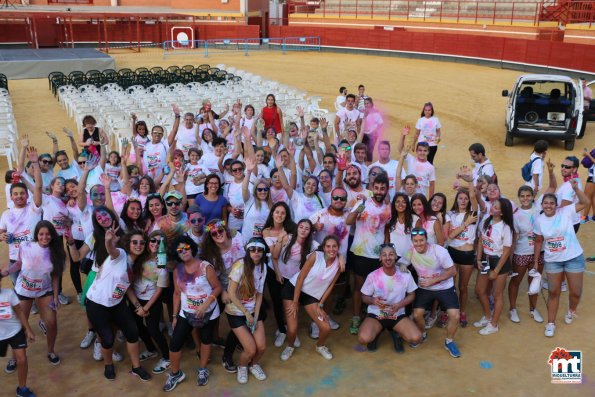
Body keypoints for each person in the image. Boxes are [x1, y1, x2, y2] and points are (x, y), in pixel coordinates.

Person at [82, 227, 152, 381]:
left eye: (141, 242)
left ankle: (136, 367)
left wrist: (138, 306)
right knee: (107, 339)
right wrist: (108, 241)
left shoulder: (135, 264)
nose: (138, 245)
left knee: (133, 333)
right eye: (135, 242)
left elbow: (126, 288)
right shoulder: (121, 254)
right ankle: (108, 365)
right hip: (97, 303)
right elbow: (111, 250)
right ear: (129, 243)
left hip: (117, 303)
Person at [162, 236, 222, 391]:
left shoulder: (205, 267)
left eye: (186, 247)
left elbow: (217, 287)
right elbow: (176, 294)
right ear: (177, 254)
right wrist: (174, 316)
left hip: (208, 312)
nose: (184, 251)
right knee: (175, 343)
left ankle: (203, 369)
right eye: (180, 250)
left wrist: (205, 305)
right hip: (186, 312)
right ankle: (175, 374)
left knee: (206, 340)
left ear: (192, 247)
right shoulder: (177, 270)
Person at [533, 181, 589, 337]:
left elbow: (586, 202)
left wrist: (576, 188)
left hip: (573, 257)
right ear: (542, 205)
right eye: (545, 203)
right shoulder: (539, 220)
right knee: (553, 292)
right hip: (553, 260)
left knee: (576, 292)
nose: (548, 206)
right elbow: (538, 241)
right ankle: (550, 323)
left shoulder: (566, 212)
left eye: (551, 203)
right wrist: (536, 261)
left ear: (556, 205)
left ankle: (571, 311)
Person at [397, 228, 461, 358]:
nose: (419, 243)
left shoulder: (439, 251)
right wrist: (402, 265)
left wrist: (434, 280)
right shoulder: (411, 251)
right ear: (412, 241)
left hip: (445, 287)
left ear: (427, 240)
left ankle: (449, 341)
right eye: (416, 241)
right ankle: (423, 334)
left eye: (421, 240)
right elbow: (401, 262)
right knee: (417, 314)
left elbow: (453, 271)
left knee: (455, 315)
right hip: (425, 289)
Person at [280, 235, 342, 361]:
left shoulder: (339, 265)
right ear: (323, 248)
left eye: (334, 246)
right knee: (292, 329)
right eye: (328, 246)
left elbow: (330, 286)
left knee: (326, 328)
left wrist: (320, 304)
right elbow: (300, 278)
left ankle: (320, 346)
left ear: (338, 248)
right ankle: (290, 346)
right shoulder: (315, 256)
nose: (331, 249)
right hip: (293, 290)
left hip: (311, 296)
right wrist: (295, 302)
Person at [11, 221, 64, 365]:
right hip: (23, 291)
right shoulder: (26, 246)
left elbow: (55, 276)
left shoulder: (56, 252)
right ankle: (14, 357)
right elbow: (18, 263)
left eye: (48, 234)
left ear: (52, 235)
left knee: (52, 323)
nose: (45, 237)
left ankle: (51, 351)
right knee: (19, 325)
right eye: (41, 234)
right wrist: (5, 272)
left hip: (44, 292)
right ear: (37, 234)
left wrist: (55, 296)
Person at [346, 174, 391, 335]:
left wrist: (386, 250)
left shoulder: (387, 207)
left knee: (378, 288)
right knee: (359, 287)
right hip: (360, 252)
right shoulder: (363, 202)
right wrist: (359, 208)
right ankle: (357, 316)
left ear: (386, 190)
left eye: (382, 188)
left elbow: (386, 229)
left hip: (378, 256)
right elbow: (349, 221)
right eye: (376, 188)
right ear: (372, 188)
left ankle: (375, 316)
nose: (379, 191)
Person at [357, 244, 422, 353]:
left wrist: (400, 305)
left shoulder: (405, 274)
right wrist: (373, 301)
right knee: (363, 339)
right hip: (377, 314)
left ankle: (396, 332)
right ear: (380, 258)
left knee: (416, 338)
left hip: (397, 314)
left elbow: (412, 295)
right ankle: (376, 333)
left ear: (396, 256)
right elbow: (364, 297)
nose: (388, 257)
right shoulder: (373, 276)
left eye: (391, 254)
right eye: (384, 255)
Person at [225, 238, 268, 384]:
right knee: (250, 349)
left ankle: (253, 364)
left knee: (261, 347)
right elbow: (231, 293)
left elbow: (260, 294)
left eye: (260, 250)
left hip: (252, 310)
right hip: (236, 311)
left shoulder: (263, 267)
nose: (256, 252)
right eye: (253, 249)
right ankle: (242, 366)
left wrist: (256, 316)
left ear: (263, 251)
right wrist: (247, 313)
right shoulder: (240, 266)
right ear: (248, 250)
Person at [270, 219, 318, 347]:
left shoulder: (312, 245)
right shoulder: (288, 238)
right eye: (301, 227)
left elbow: (328, 249)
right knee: (278, 304)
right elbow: (274, 256)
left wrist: (341, 257)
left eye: (307, 228)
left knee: (291, 307)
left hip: (295, 281)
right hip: (280, 276)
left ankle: (292, 333)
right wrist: (277, 273)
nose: (303, 230)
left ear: (310, 231)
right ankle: (282, 329)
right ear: (297, 228)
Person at [130, 230, 170, 375]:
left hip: (151, 302)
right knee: (139, 327)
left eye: (160, 242)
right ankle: (151, 350)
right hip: (136, 299)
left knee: (153, 329)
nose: (156, 244)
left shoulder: (161, 265)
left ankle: (167, 357)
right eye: (153, 240)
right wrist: (138, 306)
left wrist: (145, 308)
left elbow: (159, 291)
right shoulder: (139, 257)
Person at [474, 198, 514, 335]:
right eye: (493, 205)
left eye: (496, 207)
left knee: (497, 295)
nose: (492, 208)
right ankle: (487, 316)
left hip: (499, 262)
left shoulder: (506, 227)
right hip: (486, 259)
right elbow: (481, 241)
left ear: (502, 213)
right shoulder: (487, 220)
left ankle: (494, 324)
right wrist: (478, 258)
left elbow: (507, 250)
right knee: (480, 290)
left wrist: (496, 270)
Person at [445, 185, 478, 328]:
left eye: (465, 199)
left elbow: (473, 196)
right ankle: (448, 312)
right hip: (451, 252)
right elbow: (450, 236)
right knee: (449, 286)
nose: (463, 201)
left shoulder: (473, 214)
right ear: (456, 200)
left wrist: (469, 182)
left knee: (463, 287)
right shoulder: (450, 214)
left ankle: (462, 311)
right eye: (460, 198)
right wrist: (466, 224)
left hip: (466, 254)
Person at [0, 270, 36, 397]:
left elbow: (20, 312)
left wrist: (28, 330)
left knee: (22, 360)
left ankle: (22, 388)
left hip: (15, 332)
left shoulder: (9, 294)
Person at [556, 156, 583, 233]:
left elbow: (564, 207)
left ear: (574, 169)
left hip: (568, 223)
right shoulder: (575, 180)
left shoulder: (569, 186)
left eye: (567, 167)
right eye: (562, 166)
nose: (563, 168)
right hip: (573, 221)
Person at [361, 97, 383, 163]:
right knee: (363, 149)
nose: (366, 105)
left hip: (372, 134)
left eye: (368, 103)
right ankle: (364, 163)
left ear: (371, 104)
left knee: (370, 150)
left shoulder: (376, 113)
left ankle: (368, 164)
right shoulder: (363, 112)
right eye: (365, 103)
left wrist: (374, 131)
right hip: (364, 133)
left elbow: (381, 123)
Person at [581, 148, 595, 222]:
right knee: (593, 197)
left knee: (587, 198)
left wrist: (588, 155)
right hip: (593, 177)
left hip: (592, 178)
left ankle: (584, 217)